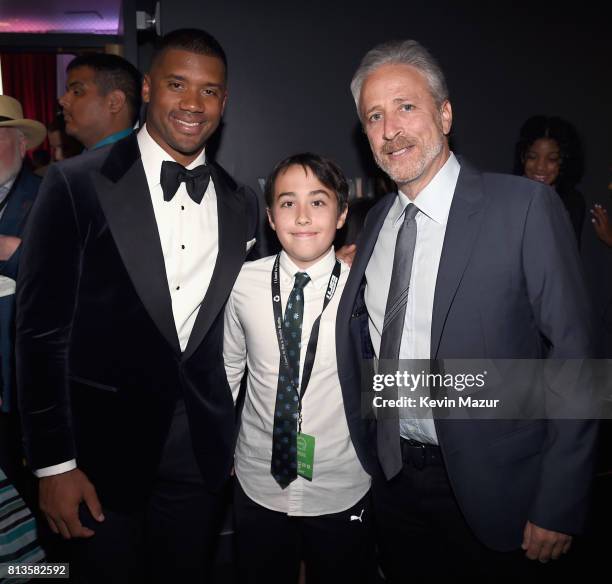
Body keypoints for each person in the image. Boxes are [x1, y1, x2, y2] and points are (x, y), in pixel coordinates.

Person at [336, 39, 598, 580]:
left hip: (497, 490)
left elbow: (574, 354)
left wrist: (560, 499)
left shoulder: (524, 206)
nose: (391, 129)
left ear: (445, 113)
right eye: (375, 117)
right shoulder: (377, 221)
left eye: (406, 107)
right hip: (393, 482)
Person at [16, 28, 259, 584]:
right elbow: (39, 334)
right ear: (148, 88)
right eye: (178, 84)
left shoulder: (240, 202)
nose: (193, 104)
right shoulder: (74, 183)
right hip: (98, 456)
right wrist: (54, 463)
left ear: (225, 102)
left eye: (210, 91)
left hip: (199, 457)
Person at [224, 153, 376, 584]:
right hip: (256, 477)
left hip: (341, 480)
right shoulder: (243, 284)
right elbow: (229, 371)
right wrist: (221, 445)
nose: (304, 216)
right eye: (288, 203)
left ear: (343, 213)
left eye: (319, 201)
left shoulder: (364, 289)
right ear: (271, 217)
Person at [0, 95, 45, 489]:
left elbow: (60, 272)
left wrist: (11, 251)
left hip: (17, 362)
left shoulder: (47, 193)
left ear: (21, 144)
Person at [514, 115, 586, 244]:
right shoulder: (507, 196)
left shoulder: (572, 202)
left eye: (551, 159)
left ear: (564, 161)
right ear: (522, 157)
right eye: (532, 157)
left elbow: (567, 256)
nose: (540, 167)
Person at [59, 53, 142, 150]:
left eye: (76, 92)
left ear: (115, 102)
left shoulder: (131, 163)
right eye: (67, 91)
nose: (62, 100)